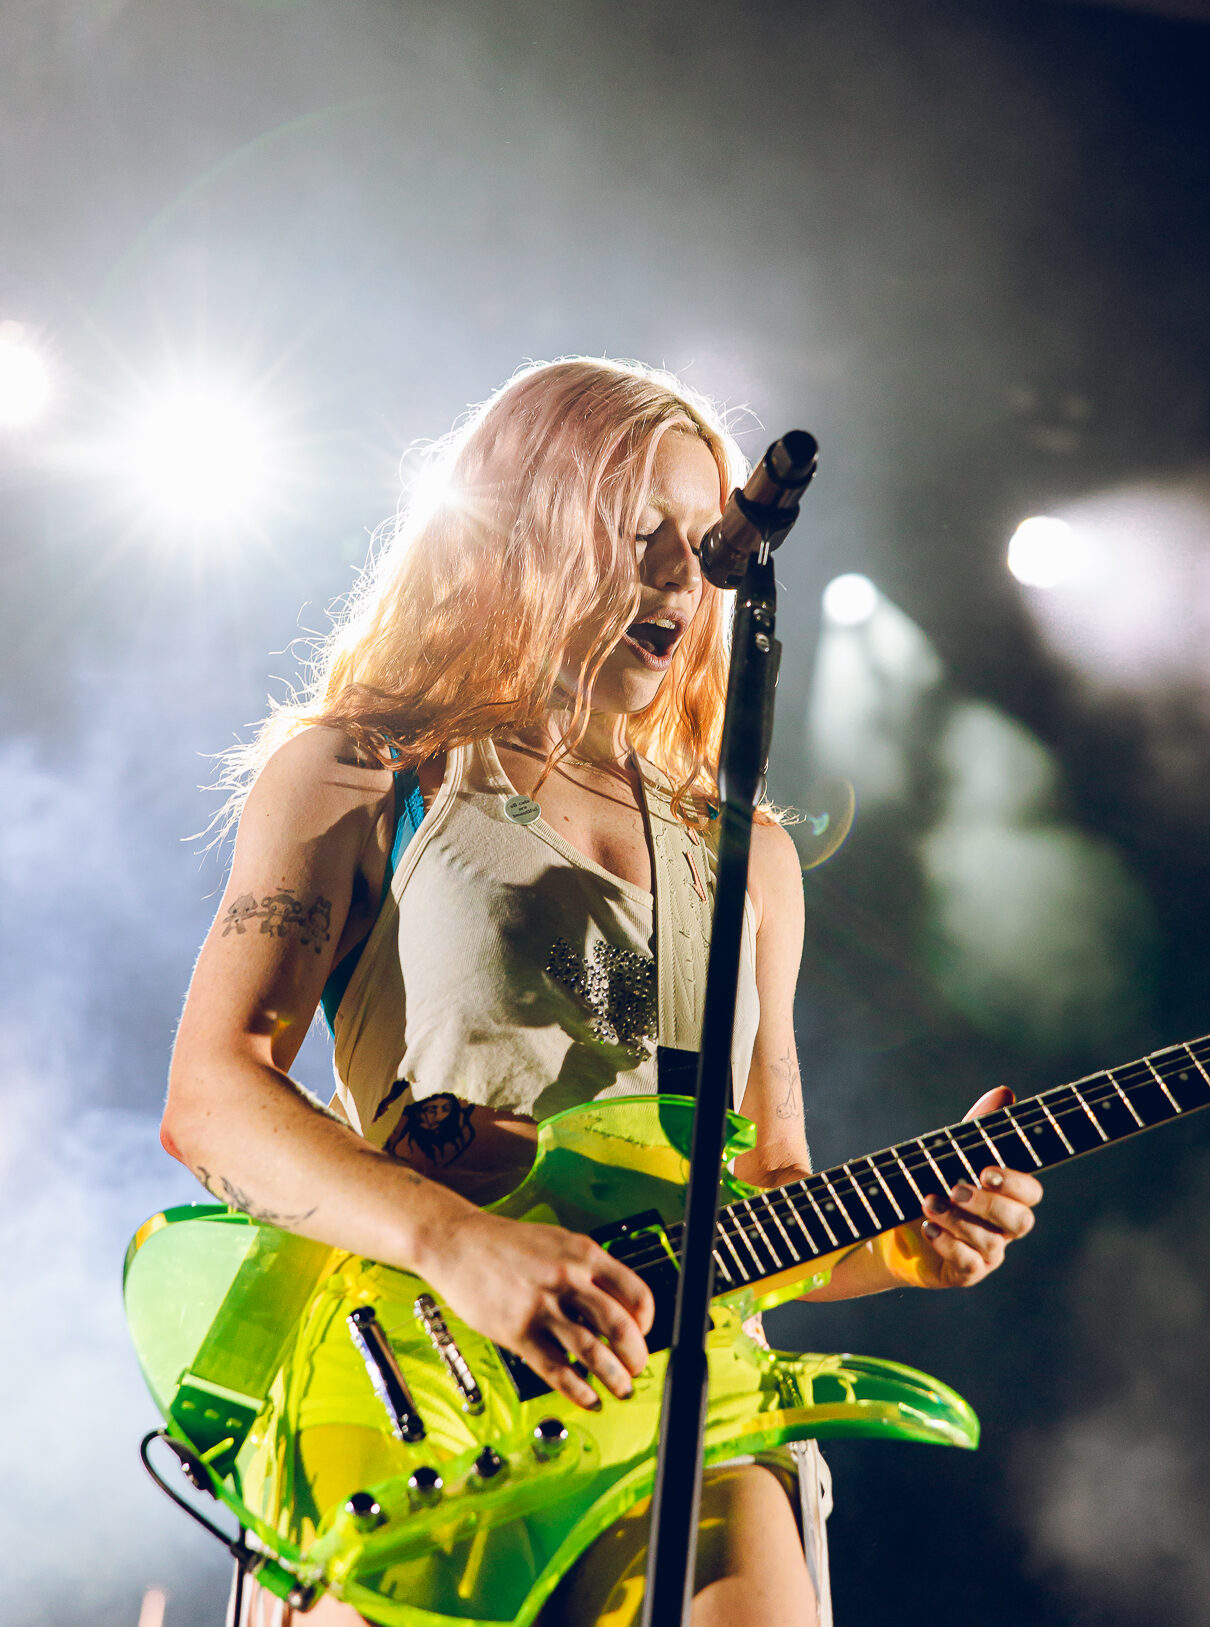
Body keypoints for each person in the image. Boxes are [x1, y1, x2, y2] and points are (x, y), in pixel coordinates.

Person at [161, 358, 1042, 1627]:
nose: (684, 575)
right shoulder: (368, 769)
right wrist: (458, 1243)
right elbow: (211, 1097)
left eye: (705, 539)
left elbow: (767, 1195)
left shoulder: (752, 860)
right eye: (642, 532)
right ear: (519, 524)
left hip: (696, 1399)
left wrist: (896, 1243)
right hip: (420, 1388)